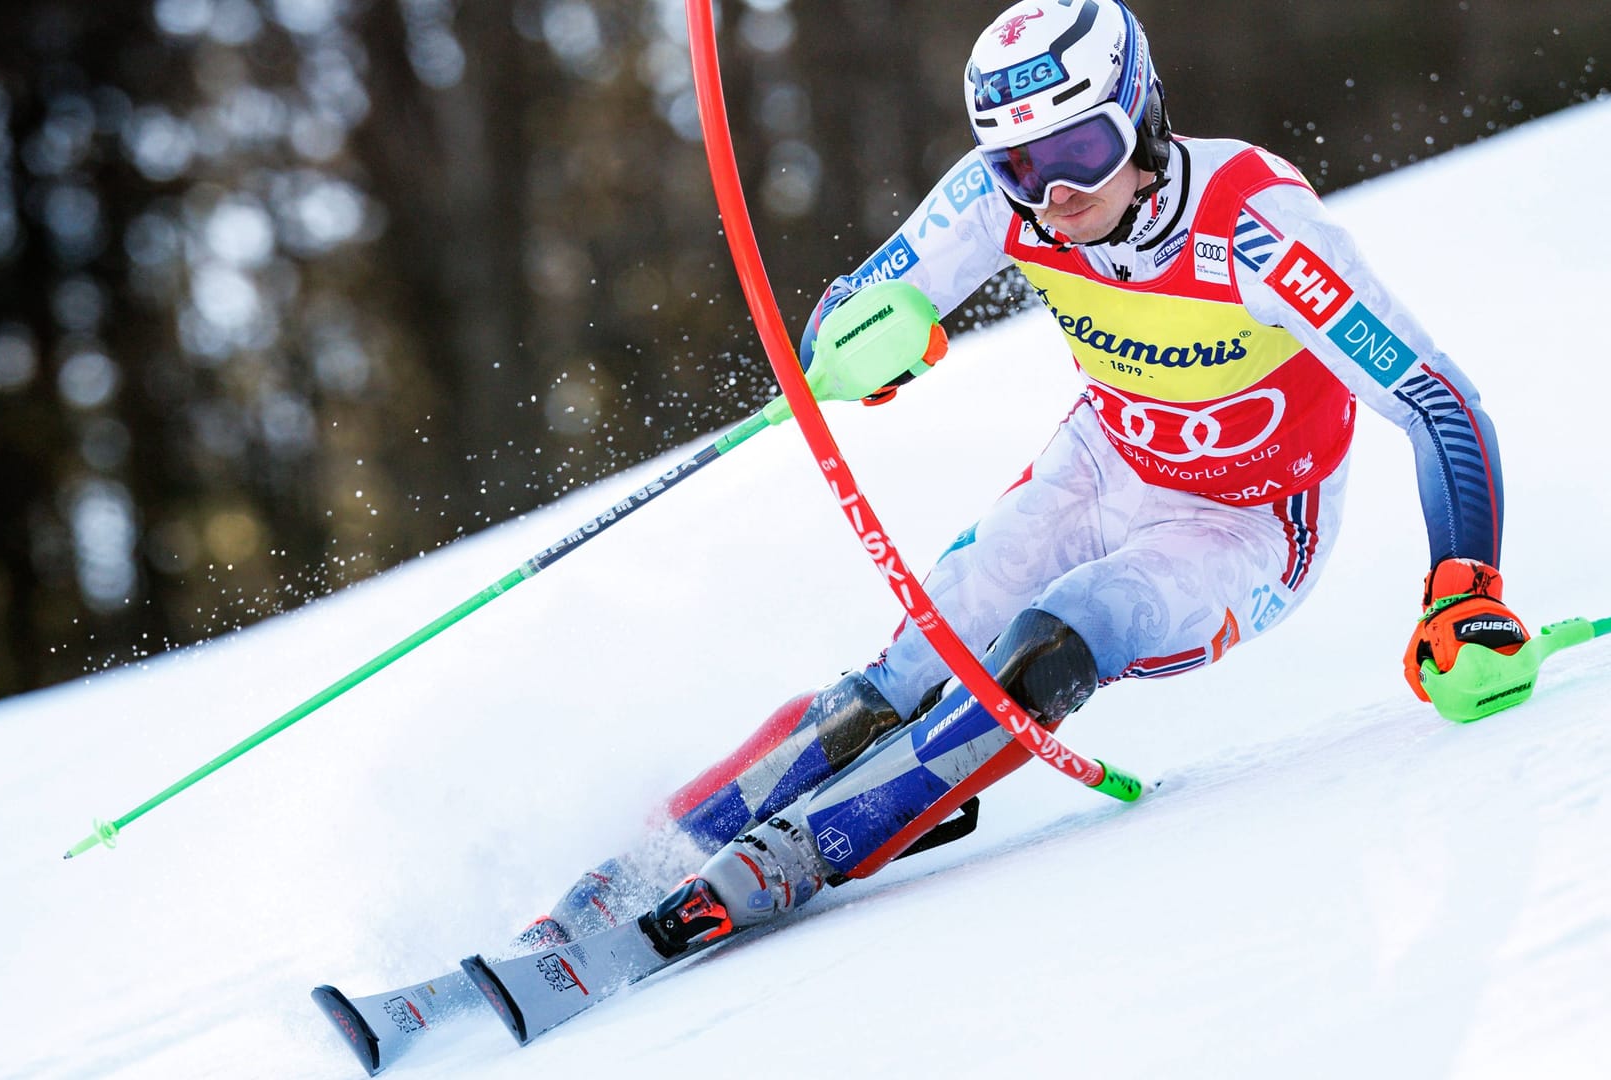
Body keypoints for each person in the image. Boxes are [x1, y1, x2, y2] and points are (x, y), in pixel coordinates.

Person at [530, 0, 1531, 957]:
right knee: (911, 675)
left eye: (1079, 153)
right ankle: (629, 879)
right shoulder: (1000, 198)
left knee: (1055, 642)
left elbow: (1438, 403)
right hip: (1102, 466)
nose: (1054, 196)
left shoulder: (1258, 231)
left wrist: (1465, 593)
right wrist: (859, 343)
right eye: (1019, 166)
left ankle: (797, 856)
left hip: (1246, 523)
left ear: (1139, 117)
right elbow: (857, 308)